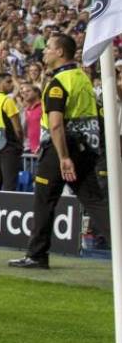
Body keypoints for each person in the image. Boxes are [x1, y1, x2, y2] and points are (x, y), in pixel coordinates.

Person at [10, 34, 110, 269]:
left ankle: (37, 255)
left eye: (48, 48)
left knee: (44, 200)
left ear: (60, 52)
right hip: (87, 148)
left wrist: (64, 157)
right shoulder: (82, 78)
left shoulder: (58, 83)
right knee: (95, 202)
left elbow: (55, 125)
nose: (44, 51)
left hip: (61, 149)